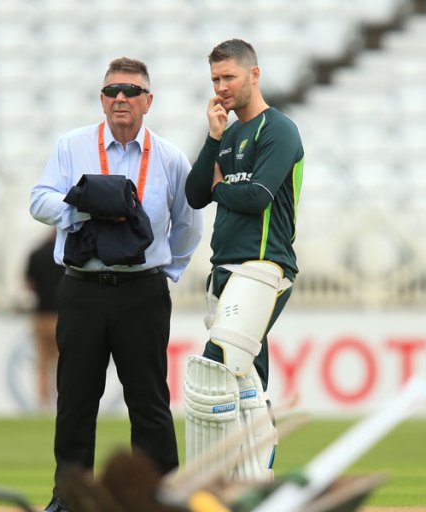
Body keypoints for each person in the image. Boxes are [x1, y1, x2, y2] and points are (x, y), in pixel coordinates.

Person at [30, 57, 203, 512]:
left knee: (149, 402)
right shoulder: (72, 146)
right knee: (75, 402)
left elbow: (188, 224)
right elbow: (39, 199)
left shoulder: (169, 158)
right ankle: (69, 499)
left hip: (142, 292)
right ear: (102, 99)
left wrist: (165, 270)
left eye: (130, 91)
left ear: (148, 100)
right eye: (111, 92)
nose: (120, 99)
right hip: (83, 289)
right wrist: (83, 209)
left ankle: (160, 498)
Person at [182, 39, 305, 481]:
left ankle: (204, 485)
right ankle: (252, 485)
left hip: (263, 266)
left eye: (229, 76)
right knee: (243, 382)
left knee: (213, 370)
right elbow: (195, 194)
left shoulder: (279, 129)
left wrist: (220, 187)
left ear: (254, 74)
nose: (221, 87)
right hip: (226, 270)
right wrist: (214, 138)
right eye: (215, 79)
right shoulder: (228, 132)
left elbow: (256, 197)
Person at [24, 231, 63, 411]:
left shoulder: (35, 253)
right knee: (62, 363)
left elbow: (28, 284)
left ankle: (42, 402)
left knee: (42, 362)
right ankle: (60, 400)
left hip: (41, 315)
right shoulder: (65, 255)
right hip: (62, 316)